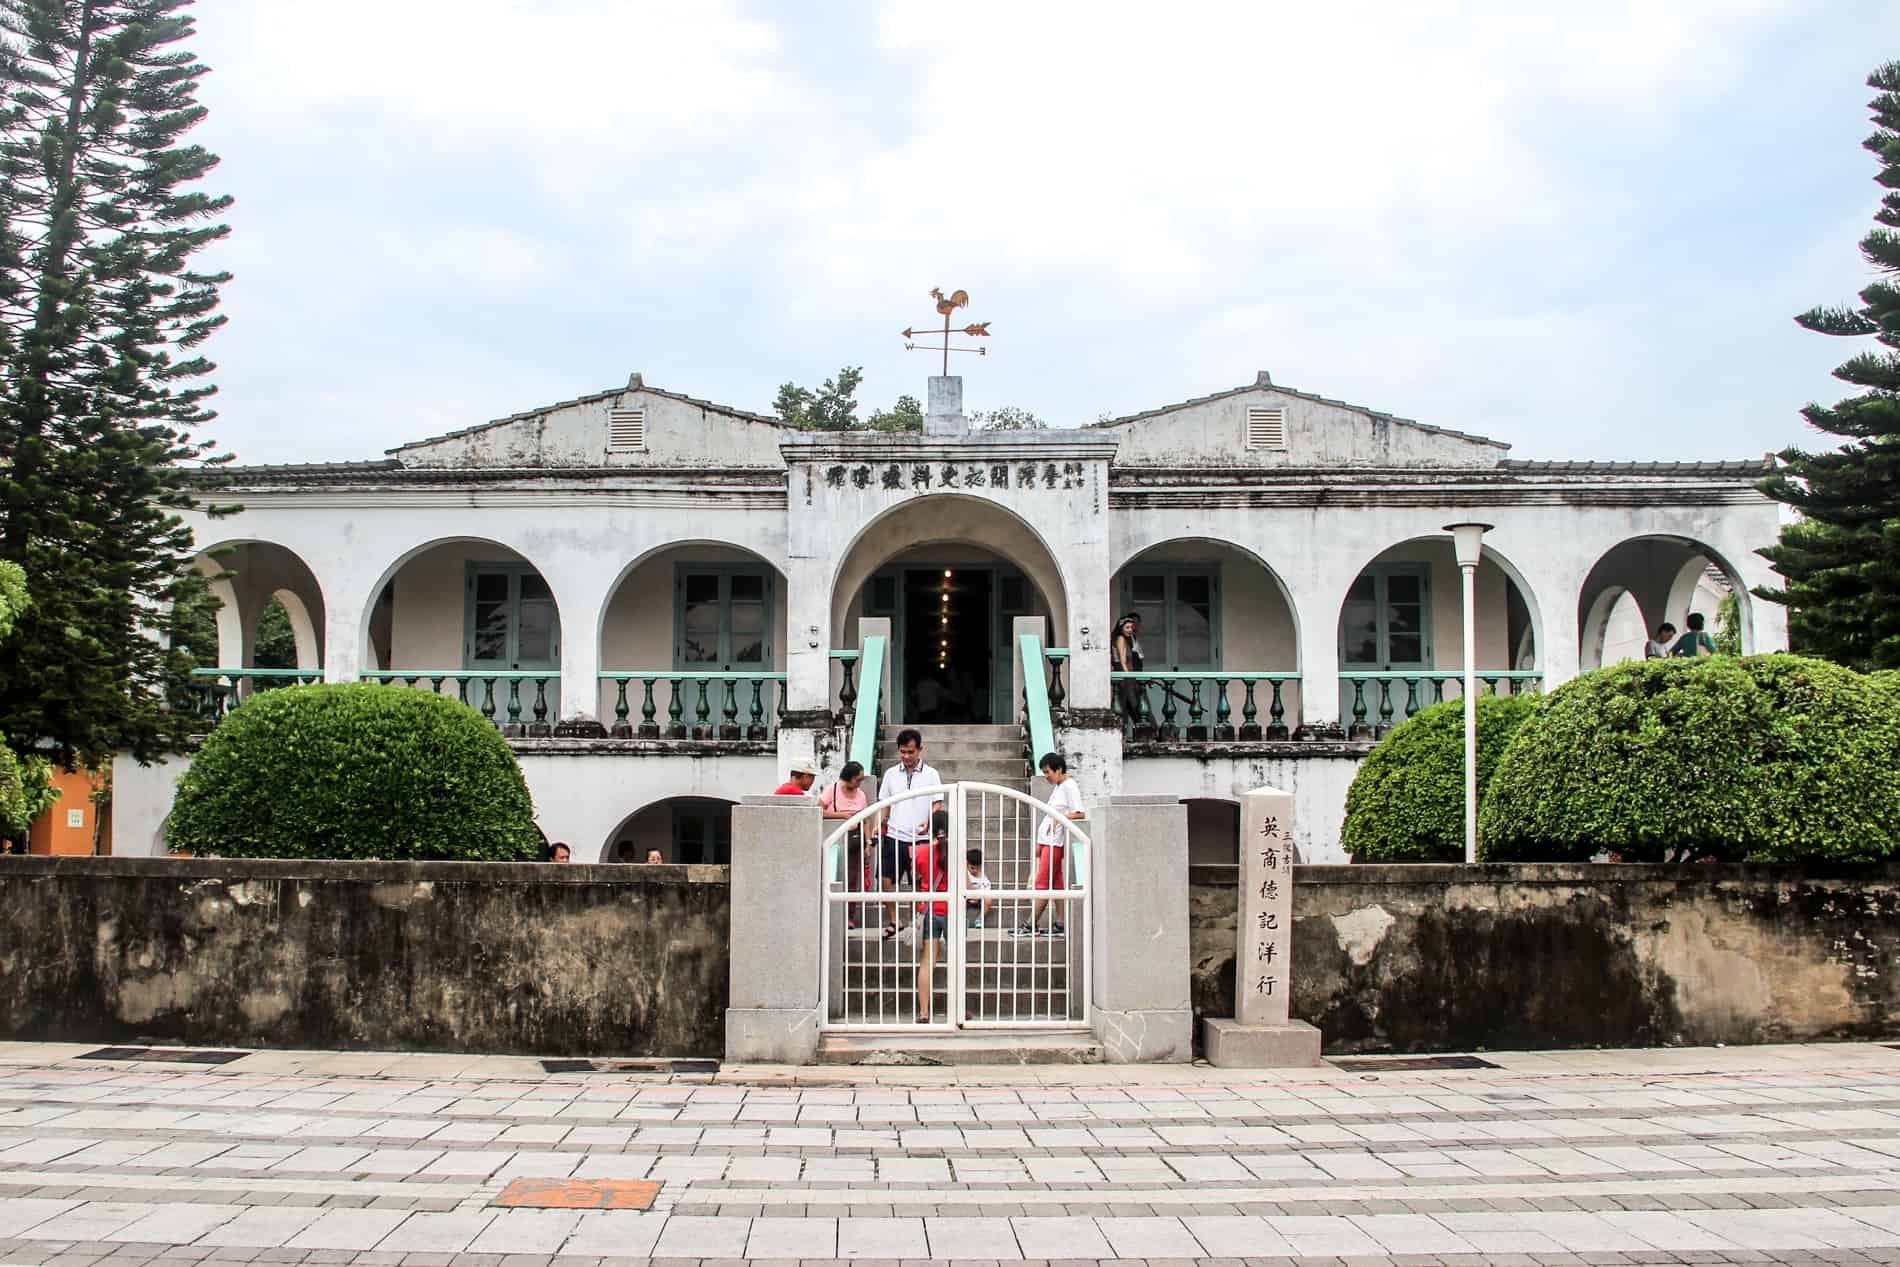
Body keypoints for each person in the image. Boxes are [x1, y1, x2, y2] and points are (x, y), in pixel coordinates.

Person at [875, 728, 943, 938]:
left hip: (920, 839)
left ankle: (917, 921)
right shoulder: (891, 774)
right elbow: (884, 803)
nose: (906, 756)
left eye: (910, 752)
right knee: (885, 880)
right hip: (894, 835)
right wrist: (879, 823)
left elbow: (937, 803)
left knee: (919, 883)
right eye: (902, 752)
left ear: (920, 750)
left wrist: (929, 821)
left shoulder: (931, 774)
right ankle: (895, 921)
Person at [1018, 752, 1084, 937]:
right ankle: (1060, 923)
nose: (1046, 776)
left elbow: (1080, 813)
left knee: (1042, 884)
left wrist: (1062, 818)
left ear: (1059, 769)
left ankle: (1030, 925)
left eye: (1048, 772)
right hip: (1048, 842)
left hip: (1055, 843)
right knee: (1055, 884)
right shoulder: (1060, 786)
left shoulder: (1069, 786)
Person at [908, 809, 953, 1023]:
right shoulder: (956, 852)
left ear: (930, 828)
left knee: (927, 963)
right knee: (956, 960)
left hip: (929, 911)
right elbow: (967, 884)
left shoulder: (920, 852)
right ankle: (957, 1010)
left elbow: (916, 878)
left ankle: (923, 1012)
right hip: (951, 910)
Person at [819, 761, 870, 924]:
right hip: (836, 837)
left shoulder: (861, 795)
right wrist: (841, 816)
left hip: (855, 837)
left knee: (852, 878)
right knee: (835, 875)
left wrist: (868, 843)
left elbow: (866, 820)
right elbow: (818, 810)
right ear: (848, 778)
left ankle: (849, 916)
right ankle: (833, 915)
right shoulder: (832, 790)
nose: (859, 783)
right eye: (858, 779)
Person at [1111, 613, 1145, 723]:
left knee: (1126, 704)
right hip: (1125, 676)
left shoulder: (1128, 640)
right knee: (1132, 703)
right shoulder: (1121, 638)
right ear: (1121, 628)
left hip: (1127, 676)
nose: (1130, 630)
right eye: (1127, 627)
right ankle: (1141, 727)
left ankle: (1128, 728)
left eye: (1131, 627)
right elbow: (1122, 660)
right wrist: (1128, 676)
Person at [964, 847, 993, 928]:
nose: (975, 870)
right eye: (972, 868)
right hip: (966, 897)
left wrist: (978, 896)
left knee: (988, 900)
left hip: (979, 897)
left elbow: (986, 889)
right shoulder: (965, 873)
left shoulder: (982, 876)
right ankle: (961, 920)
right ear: (966, 864)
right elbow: (966, 887)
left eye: (978, 868)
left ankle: (979, 919)